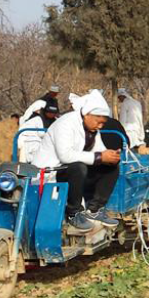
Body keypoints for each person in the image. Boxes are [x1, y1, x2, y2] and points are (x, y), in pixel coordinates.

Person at [32, 90, 121, 233]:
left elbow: (99, 150)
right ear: (87, 114)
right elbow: (65, 156)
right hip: (51, 173)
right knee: (78, 167)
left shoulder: (91, 129)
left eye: (103, 124)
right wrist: (100, 157)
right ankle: (73, 212)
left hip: (71, 172)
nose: (100, 127)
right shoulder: (66, 124)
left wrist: (111, 157)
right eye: (99, 122)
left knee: (112, 168)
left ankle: (94, 210)